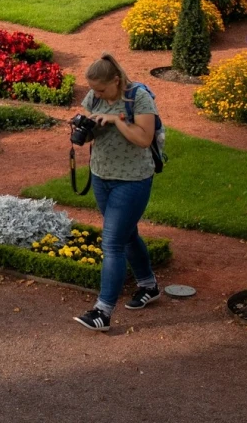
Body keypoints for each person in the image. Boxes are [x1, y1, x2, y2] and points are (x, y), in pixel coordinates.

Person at [73, 53, 161, 332]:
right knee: (127, 235)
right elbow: (89, 131)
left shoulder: (139, 98)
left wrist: (116, 120)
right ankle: (148, 285)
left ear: (115, 80)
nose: (95, 95)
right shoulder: (95, 95)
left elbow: (144, 138)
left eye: (101, 90)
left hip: (132, 180)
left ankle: (103, 311)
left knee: (112, 243)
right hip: (101, 176)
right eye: (93, 90)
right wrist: (84, 129)